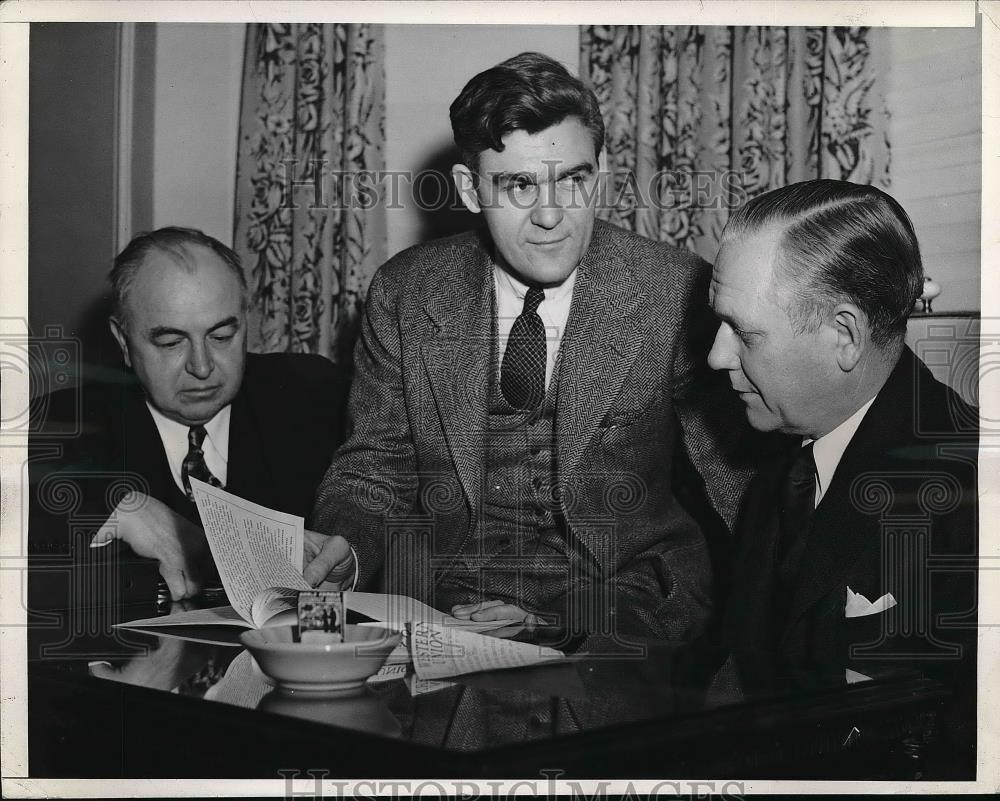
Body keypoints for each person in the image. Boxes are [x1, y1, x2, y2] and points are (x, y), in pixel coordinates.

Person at [309, 52, 750, 641]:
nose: (552, 216)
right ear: (469, 190)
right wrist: (347, 548)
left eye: (573, 179)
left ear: (602, 174)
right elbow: (374, 466)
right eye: (519, 184)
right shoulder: (405, 292)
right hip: (442, 615)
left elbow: (739, 480)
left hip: (622, 613)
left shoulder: (673, 290)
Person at [707, 180, 977, 696]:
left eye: (745, 333)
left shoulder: (971, 498)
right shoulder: (783, 437)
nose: (717, 357)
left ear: (846, 336)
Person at [29, 227, 356, 600]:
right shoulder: (66, 420)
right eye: (171, 343)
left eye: (221, 337)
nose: (202, 367)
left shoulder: (312, 394)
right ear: (123, 342)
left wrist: (348, 567)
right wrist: (117, 503)